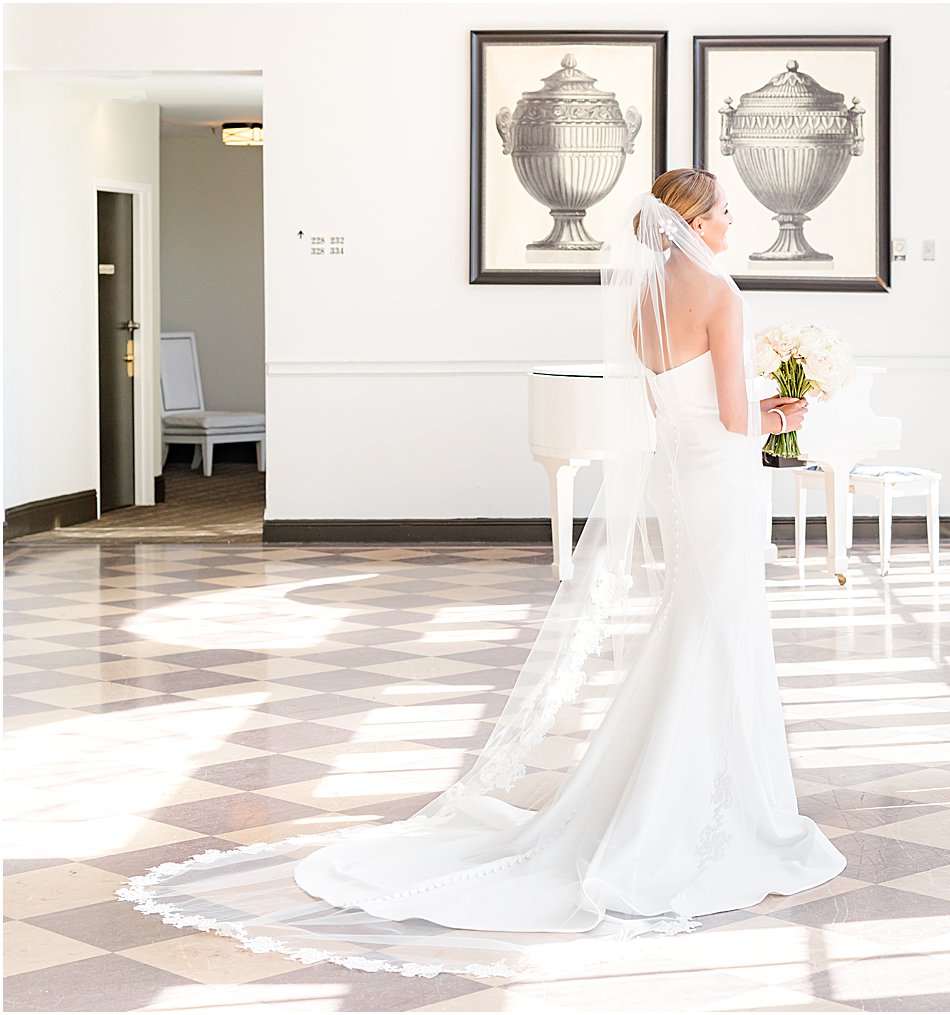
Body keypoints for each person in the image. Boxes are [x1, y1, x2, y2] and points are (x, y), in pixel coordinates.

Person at [120, 169, 845, 976]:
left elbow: (661, 402)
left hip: (680, 473)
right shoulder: (722, 293)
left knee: (693, 620)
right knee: (721, 624)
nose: (732, 219)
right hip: (717, 473)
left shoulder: (643, 299)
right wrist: (786, 411)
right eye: (722, 209)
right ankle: (713, 804)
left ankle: (669, 788)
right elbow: (738, 417)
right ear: (695, 222)